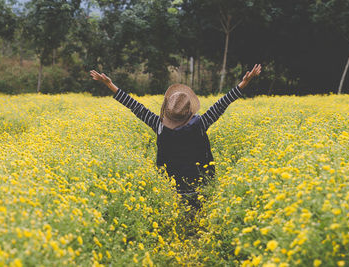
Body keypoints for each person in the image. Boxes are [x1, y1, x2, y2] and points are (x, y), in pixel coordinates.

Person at [90, 64, 261, 210]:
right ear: (189, 111)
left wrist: (110, 85)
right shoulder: (200, 124)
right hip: (201, 189)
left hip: (171, 190)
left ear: (169, 111)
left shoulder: (159, 126)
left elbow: (135, 106)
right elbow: (222, 103)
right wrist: (244, 83)